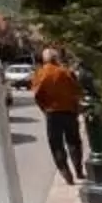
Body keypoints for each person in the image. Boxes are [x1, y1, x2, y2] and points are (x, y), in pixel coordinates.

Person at [28, 47, 86, 185]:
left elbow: (37, 95)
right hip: (69, 112)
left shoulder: (41, 74)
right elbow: (77, 90)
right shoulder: (66, 72)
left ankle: (66, 172)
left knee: (56, 144)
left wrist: (44, 108)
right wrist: (76, 105)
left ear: (44, 59)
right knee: (74, 141)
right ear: (55, 59)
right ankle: (78, 169)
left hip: (52, 113)